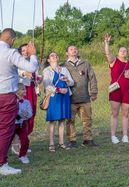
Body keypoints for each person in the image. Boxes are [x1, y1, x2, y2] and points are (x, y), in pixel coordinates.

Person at [0, 30, 38, 176]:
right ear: (12, 39)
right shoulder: (10, 53)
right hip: (6, 96)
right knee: (5, 131)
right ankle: (2, 164)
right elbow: (32, 68)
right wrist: (33, 54)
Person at [104, 34, 129, 144]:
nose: (123, 52)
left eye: (125, 51)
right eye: (121, 51)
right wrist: (107, 43)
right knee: (114, 113)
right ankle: (113, 136)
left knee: (125, 114)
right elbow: (108, 54)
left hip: (127, 90)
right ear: (118, 53)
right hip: (115, 90)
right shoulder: (114, 61)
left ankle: (125, 136)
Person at [64, 45, 98, 147]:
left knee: (87, 120)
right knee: (70, 120)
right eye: (71, 49)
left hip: (85, 98)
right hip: (70, 99)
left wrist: (94, 92)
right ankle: (72, 140)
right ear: (67, 53)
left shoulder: (85, 64)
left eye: (75, 49)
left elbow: (92, 78)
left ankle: (88, 139)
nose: (74, 50)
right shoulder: (63, 66)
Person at [43, 52, 75, 152]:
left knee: (62, 120)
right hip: (54, 97)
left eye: (56, 55)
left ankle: (61, 142)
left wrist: (67, 80)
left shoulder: (64, 69)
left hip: (64, 96)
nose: (55, 56)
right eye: (52, 55)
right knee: (53, 121)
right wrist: (58, 90)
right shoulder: (46, 70)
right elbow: (46, 85)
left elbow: (72, 82)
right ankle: (51, 143)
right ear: (48, 60)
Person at [12, 84, 33, 164]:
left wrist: (27, 114)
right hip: (12, 124)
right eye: (23, 89)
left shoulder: (26, 102)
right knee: (6, 141)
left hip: (22, 124)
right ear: (16, 91)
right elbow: (13, 111)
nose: (25, 91)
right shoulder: (12, 101)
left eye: (25, 89)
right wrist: (21, 113)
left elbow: (30, 113)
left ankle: (22, 155)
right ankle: (2, 157)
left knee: (25, 140)